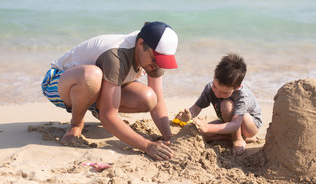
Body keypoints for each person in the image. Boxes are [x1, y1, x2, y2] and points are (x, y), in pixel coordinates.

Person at [41, 21, 178, 161]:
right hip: (59, 84)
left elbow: (158, 101)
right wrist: (147, 145)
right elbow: (108, 118)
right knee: (92, 75)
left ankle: (97, 108)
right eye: (156, 59)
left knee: (149, 98)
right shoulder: (116, 55)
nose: (158, 65)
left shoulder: (154, 55)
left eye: (163, 61)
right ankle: (76, 123)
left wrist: (169, 138)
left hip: (96, 89)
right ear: (141, 43)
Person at [175, 53, 262, 155]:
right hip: (230, 122)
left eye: (224, 92)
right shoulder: (209, 88)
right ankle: (240, 138)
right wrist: (188, 115)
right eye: (215, 87)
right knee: (202, 134)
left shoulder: (242, 95)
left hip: (249, 125)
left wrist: (208, 127)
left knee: (226, 106)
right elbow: (196, 108)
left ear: (237, 87)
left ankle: (238, 139)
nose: (217, 93)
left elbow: (235, 124)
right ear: (214, 77)